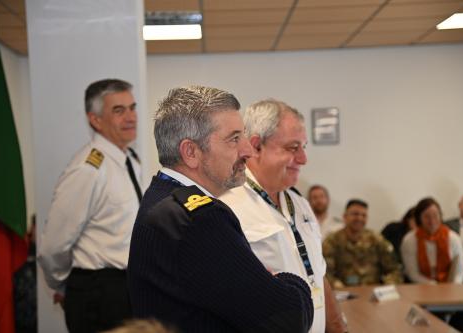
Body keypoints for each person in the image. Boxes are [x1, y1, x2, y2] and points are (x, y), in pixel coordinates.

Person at [128, 86, 314, 333]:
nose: (247, 150)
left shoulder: (163, 197)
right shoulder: (199, 219)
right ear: (191, 152)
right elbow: (288, 319)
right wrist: (290, 281)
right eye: (234, 139)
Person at [220, 99, 346, 333]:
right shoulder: (227, 206)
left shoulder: (301, 205)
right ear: (256, 146)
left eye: (303, 147)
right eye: (292, 148)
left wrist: (338, 327)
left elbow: (318, 275)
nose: (303, 159)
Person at [38, 79, 142, 333]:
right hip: (99, 293)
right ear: (95, 120)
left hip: (126, 288)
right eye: (119, 111)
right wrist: (63, 285)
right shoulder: (88, 169)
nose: (131, 117)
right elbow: (54, 245)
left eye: (132, 107)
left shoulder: (128, 160)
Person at [323, 199, 403, 289]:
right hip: (342, 293)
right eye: (355, 214)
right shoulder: (332, 241)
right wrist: (339, 288)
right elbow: (325, 273)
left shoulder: (376, 239)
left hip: (374, 293)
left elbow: (394, 269)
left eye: (364, 215)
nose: (359, 218)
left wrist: (386, 287)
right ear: (345, 217)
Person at [401, 197, 463, 284]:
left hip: (450, 287)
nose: (432, 220)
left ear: (440, 216)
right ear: (419, 218)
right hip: (420, 287)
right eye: (427, 216)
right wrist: (434, 286)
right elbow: (412, 273)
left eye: (435, 215)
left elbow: (460, 272)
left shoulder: (454, 238)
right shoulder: (409, 240)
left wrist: (452, 286)